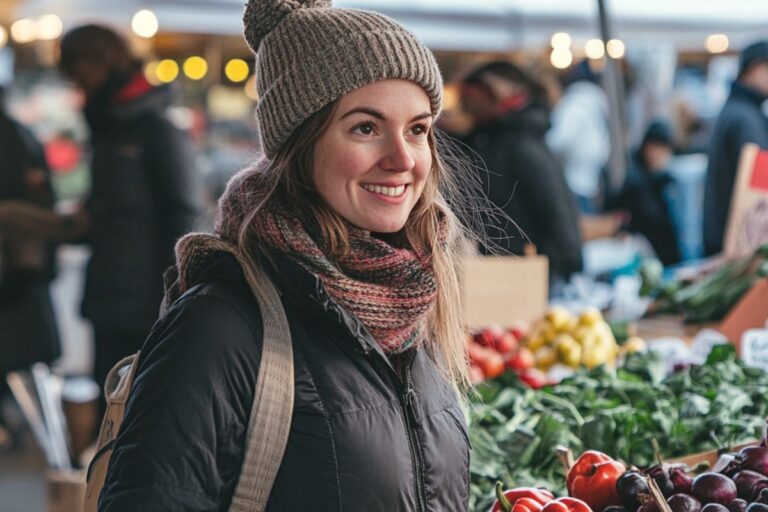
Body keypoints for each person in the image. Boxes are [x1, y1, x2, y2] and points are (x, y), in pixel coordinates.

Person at [97, 0, 474, 509]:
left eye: (418, 129)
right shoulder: (219, 325)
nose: (402, 159)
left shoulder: (412, 309)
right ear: (301, 143)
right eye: (365, 127)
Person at [0, 25, 203, 416]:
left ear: (102, 62)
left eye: (79, 72)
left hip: (147, 308)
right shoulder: (110, 131)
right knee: (110, 414)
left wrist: (175, 302)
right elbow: (100, 217)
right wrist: (38, 223)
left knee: (142, 415)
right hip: (109, 301)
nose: (78, 85)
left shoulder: (156, 130)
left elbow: (183, 218)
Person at [459, 60, 583, 287]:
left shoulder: (520, 144)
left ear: (491, 94)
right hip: (494, 273)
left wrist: (560, 274)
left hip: (527, 277)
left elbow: (557, 213)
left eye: (468, 96)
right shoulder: (484, 140)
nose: (463, 103)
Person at [0, 85, 60, 449]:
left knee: (14, 349)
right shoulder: (19, 135)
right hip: (21, 270)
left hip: (14, 270)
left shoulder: (13, 139)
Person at [703, 40, 768, 256]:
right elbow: (758, 185)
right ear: (754, 68)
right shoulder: (744, 117)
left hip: (725, 237)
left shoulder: (738, 109)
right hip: (738, 246)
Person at [606, 120, 683, 266]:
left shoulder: (657, 177)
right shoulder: (637, 180)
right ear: (650, 148)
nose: (664, 156)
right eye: (662, 150)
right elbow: (652, 220)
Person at [547, 60, 611, 213]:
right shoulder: (597, 104)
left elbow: (559, 141)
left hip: (571, 180)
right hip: (590, 180)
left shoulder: (573, 104)